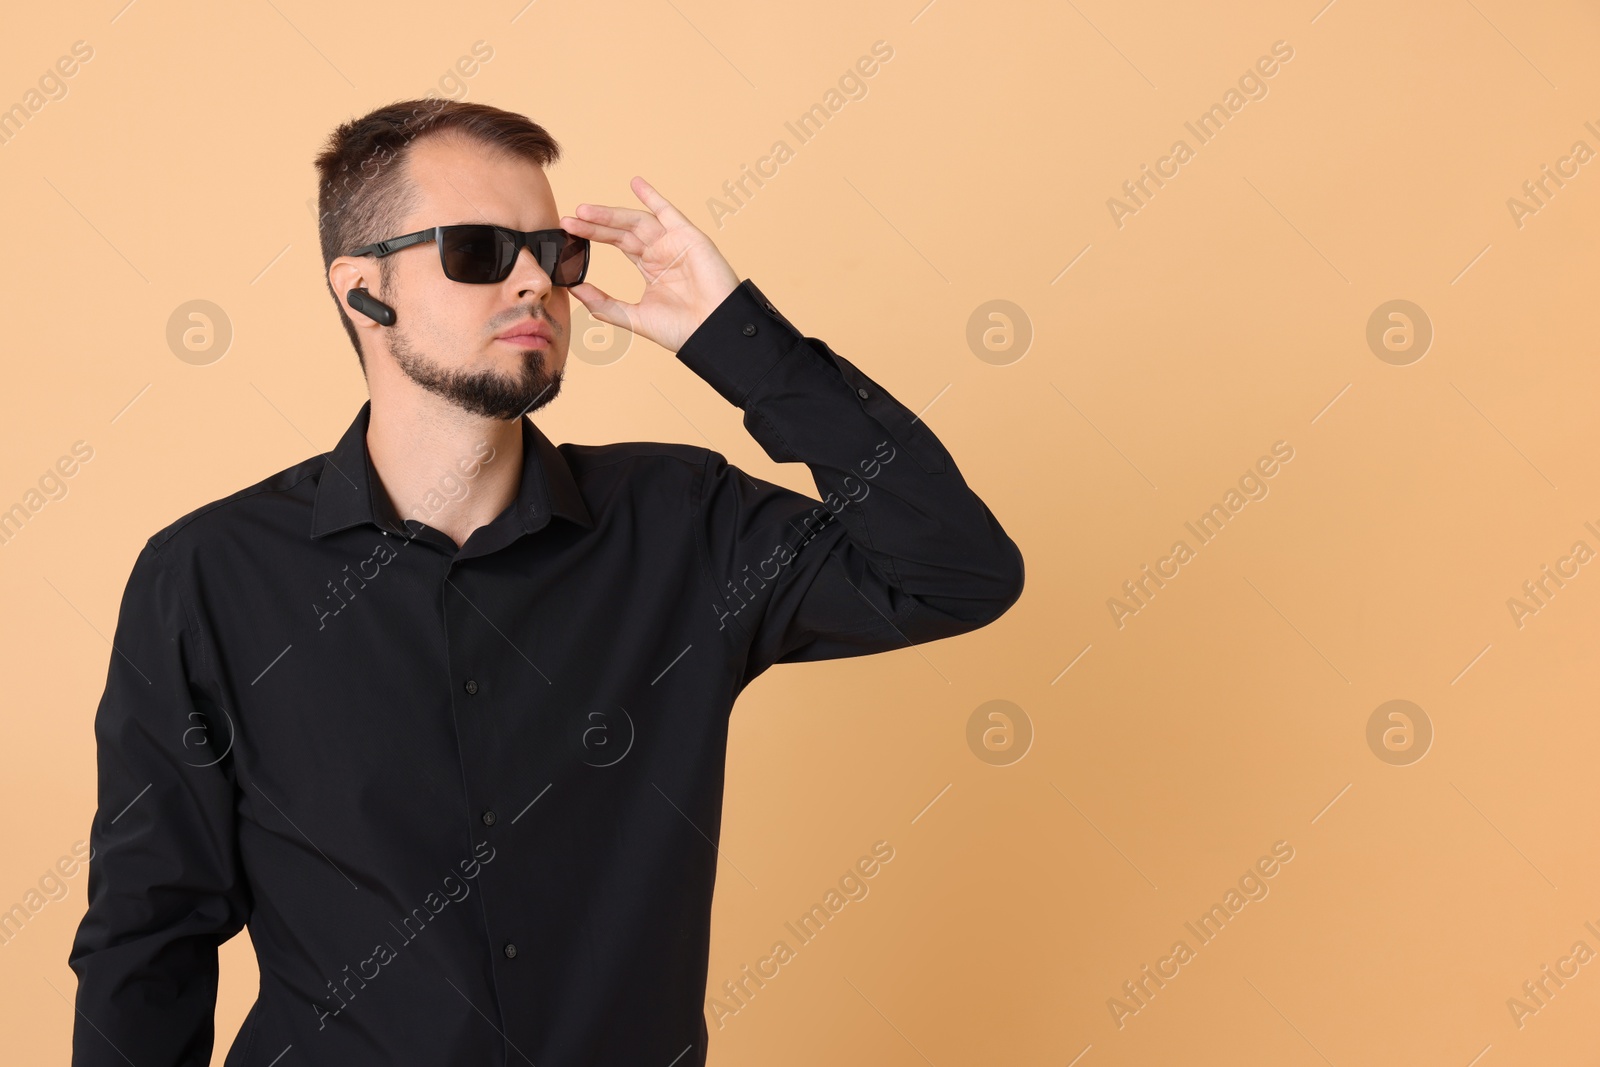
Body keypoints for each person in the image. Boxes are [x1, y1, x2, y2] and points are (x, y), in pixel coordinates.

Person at [68, 98, 1024, 1066]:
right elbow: (150, 934)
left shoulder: (679, 522)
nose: (534, 281)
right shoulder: (211, 574)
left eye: (554, 252)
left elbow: (952, 571)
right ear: (363, 289)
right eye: (479, 249)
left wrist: (739, 340)